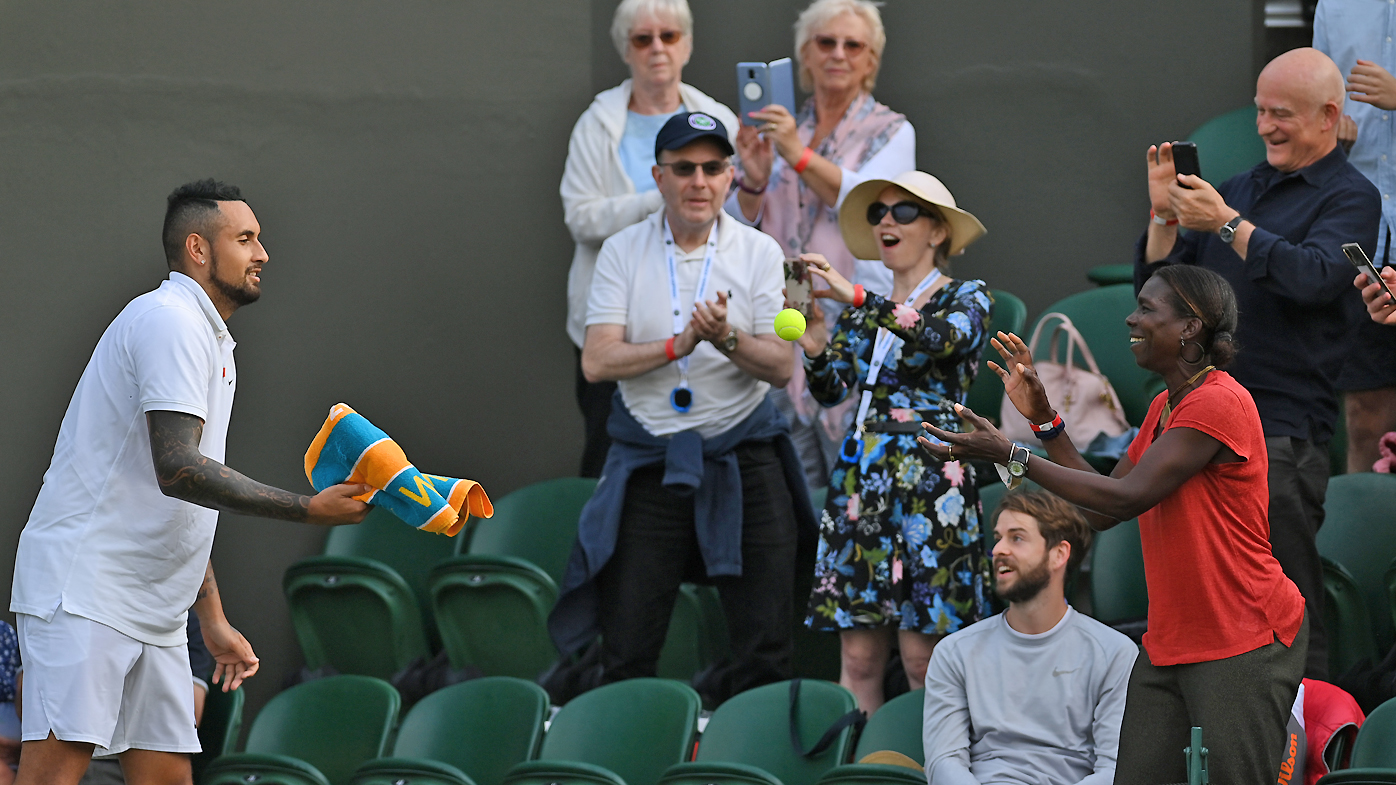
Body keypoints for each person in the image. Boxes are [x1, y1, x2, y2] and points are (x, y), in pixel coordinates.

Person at [10, 179, 371, 785]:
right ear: (199, 250)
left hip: (154, 610)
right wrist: (308, 510)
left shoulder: (209, 337)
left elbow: (174, 503)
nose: (263, 254)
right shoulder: (170, 320)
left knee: (166, 777)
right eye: (246, 239)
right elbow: (179, 470)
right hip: (85, 594)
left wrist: (211, 617)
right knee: (53, 775)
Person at [922, 265, 1308, 785]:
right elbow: (1101, 512)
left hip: (1243, 635)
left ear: (1191, 326)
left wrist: (1012, 453)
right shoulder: (1162, 408)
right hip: (1173, 640)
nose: (1131, 317)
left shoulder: (1218, 400)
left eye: (1148, 308)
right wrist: (1044, 423)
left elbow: (1126, 498)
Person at [548, 113, 816, 704]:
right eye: (684, 168)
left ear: (729, 178)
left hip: (743, 457)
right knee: (624, 654)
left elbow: (780, 366)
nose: (699, 181)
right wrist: (679, 345)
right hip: (651, 462)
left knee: (766, 655)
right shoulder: (622, 250)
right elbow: (597, 361)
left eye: (713, 168)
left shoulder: (761, 251)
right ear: (659, 177)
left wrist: (725, 339)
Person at [1132, 47, 1380, 680]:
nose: (1265, 126)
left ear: (1329, 116)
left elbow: (1317, 279)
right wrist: (1164, 216)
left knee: (1286, 597)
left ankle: (1316, 743)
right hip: (1198, 417)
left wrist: (1227, 224)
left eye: (1282, 115)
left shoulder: (1351, 196)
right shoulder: (1239, 186)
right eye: (1261, 111)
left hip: (1279, 427)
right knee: (1200, 592)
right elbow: (1162, 288)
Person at [798, 171, 991, 715]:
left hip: (932, 480)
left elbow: (943, 338)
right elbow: (832, 390)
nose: (886, 221)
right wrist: (814, 348)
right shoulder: (864, 311)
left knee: (922, 662)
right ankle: (859, 773)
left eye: (903, 212)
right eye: (878, 213)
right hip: (864, 483)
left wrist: (858, 296)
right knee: (857, 659)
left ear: (937, 233)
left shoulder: (965, 296)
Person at [729, 0, 915, 488]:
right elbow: (741, 227)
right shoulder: (783, 125)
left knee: (849, 477)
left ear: (871, 59)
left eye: (853, 44)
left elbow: (867, 204)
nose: (838, 54)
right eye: (825, 42)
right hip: (782, 315)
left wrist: (795, 152)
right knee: (787, 480)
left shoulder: (891, 131)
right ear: (804, 55)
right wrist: (752, 180)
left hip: (852, 318)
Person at [560, 0, 739, 479]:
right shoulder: (597, 123)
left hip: (700, 319)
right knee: (608, 454)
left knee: (702, 455)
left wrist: (756, 183)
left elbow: (738, 218)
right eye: (643, 39)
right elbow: (579, 217)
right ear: (626, 49)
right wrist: (657, 201)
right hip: (613, 325)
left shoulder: (717, 118)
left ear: (688, 44)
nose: (657, 48)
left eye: (669, 36)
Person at [923, 490, 1136, 785]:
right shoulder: (954, 652)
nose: (998, 549)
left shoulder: (1114, 653)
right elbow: (943, 761)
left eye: (1017, 538)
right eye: (997, 537)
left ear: (1059, 554)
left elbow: (1115, 769)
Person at [1314, 3, 1396, 474]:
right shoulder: (1335, 5)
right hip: (1360, 229)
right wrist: (1331, 138)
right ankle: (1361, 544)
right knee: (1365, 413)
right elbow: (1315, 104)